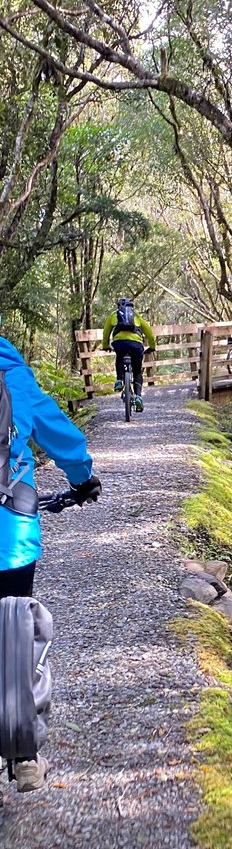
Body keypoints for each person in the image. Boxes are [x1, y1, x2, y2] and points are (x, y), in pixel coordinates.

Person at [0, 332, 101, 792]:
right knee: (14, 627)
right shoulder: (15, 376)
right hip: (10, 532)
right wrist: (83, 480)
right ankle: (24, 757)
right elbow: (60, 434)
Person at [101, 297, 157, 412]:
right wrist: (152, 347)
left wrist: (105, 345)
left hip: (119, 343)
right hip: (136, 345)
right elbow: (149, 333)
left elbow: (106, 332)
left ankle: (119, 380)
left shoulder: (113, 315)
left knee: (119, 358)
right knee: (137, 370)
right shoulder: (136, 316)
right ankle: (138, 396)